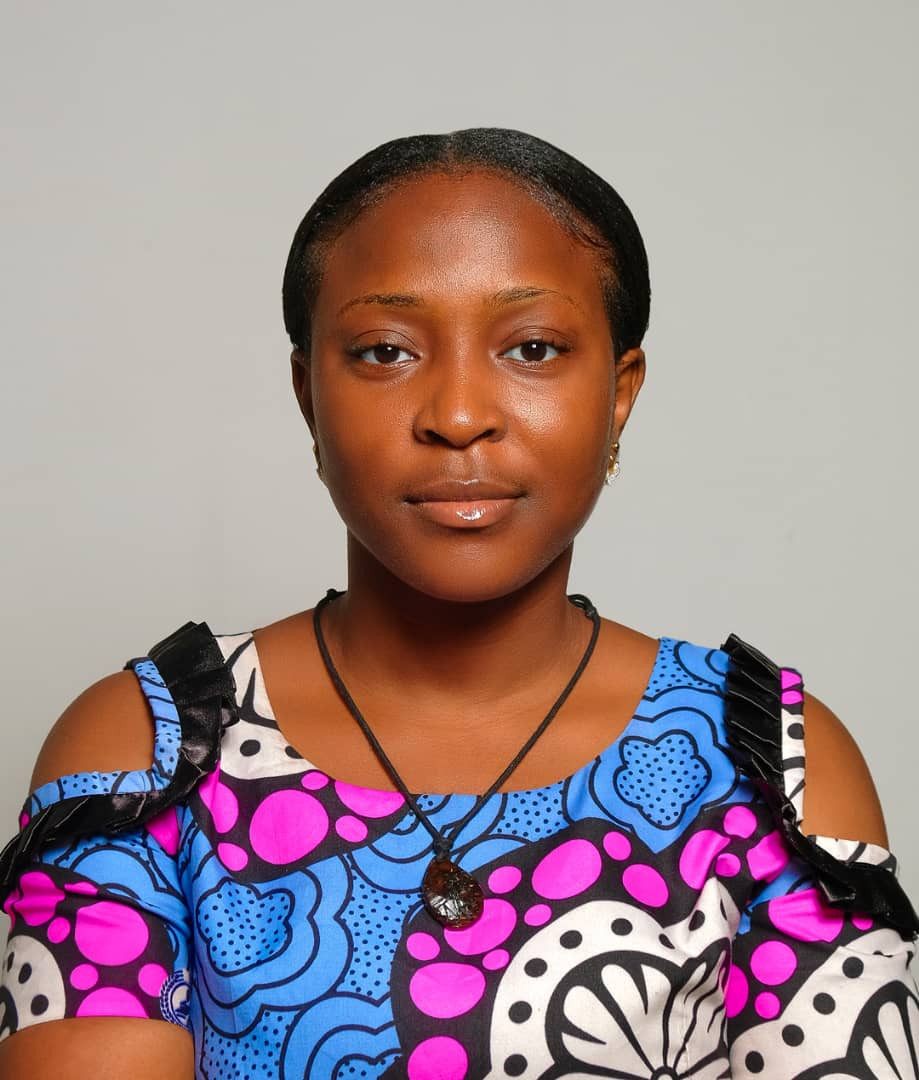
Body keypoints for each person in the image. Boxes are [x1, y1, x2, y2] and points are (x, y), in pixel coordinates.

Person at [0, 128, 916, 1080]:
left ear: (619, 394)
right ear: (308, 395)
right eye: (385, 351)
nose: (458, 415)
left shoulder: (765, 766)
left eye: (532, 347)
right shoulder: (147, 754)